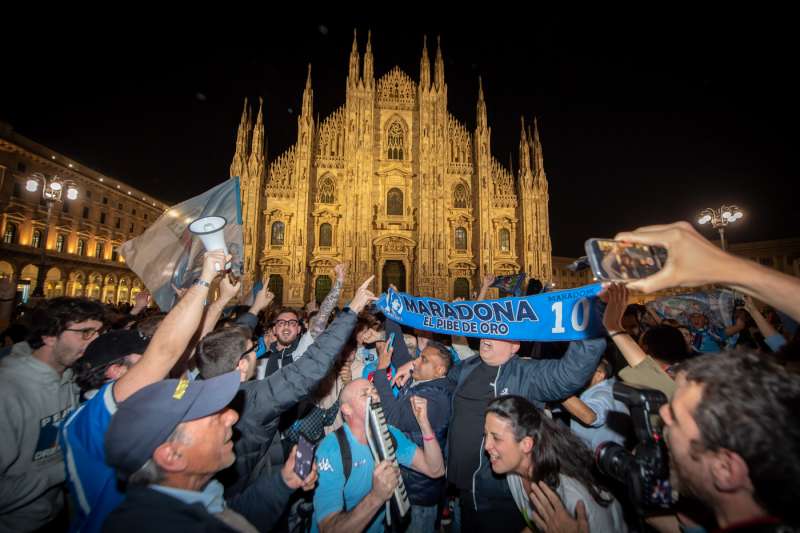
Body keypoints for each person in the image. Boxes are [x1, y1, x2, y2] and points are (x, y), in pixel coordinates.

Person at [59, 251, 229, 533]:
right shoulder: (93, 417)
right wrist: (205, 279)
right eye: (142, 356)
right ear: (115, 371)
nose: (153, 361)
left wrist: (220, 300)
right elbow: (166, 351)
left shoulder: (139, 407)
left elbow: (186, 350)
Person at [195, 275, 376, 497]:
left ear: (300, 329)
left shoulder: (202, 383)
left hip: (294, 440)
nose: (256, 351)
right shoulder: (256, 396)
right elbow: (309, 367)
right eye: (252, 350)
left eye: (292, 322)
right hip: (252, 475)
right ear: (241, 365)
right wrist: (353, 309)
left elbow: (224, 347)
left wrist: (254, 309)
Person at [103, 371, 317, 532]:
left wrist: (283, 482)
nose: (232, 416)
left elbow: (232, 516)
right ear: (172, 456)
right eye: (213, 415)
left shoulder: (198, 497)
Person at [0, 296, 105, 532]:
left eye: (98, 333)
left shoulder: (70, 378)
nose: (95, 342)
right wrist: (68, 466)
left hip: (56, 514)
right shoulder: (7, 392)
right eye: (86, 333)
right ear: (49, 336)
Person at [312, 379, 445, 533]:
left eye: (374, 390)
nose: (374, 396)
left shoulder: (389, 434)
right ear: (347, 409)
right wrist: (376, 497)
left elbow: (436, 470)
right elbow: (328, 529)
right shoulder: (330, 450)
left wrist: (424, 424)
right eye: (365, 394)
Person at [484, 395, 627, 532]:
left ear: (526, 444)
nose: (486, 446)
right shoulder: (513, 474)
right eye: (486, 435)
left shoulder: (575, 498)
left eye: (496, 438)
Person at [373, 338, 454, 532]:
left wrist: (381, 370)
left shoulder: (436, 398)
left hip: (418, 495)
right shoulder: (426, 382)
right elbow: (401, 351)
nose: (415, 362)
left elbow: (393, 417)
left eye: (423, 360)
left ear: (440, 371)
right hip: (406, 486)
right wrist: (393, 312)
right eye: (419, 357)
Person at [561, 359, 630, 452]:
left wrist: (557, 390)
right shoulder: (604, 387)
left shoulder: (604, 393)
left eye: (585, 370)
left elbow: (590, 417)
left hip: (600, 460)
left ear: (599, 375)